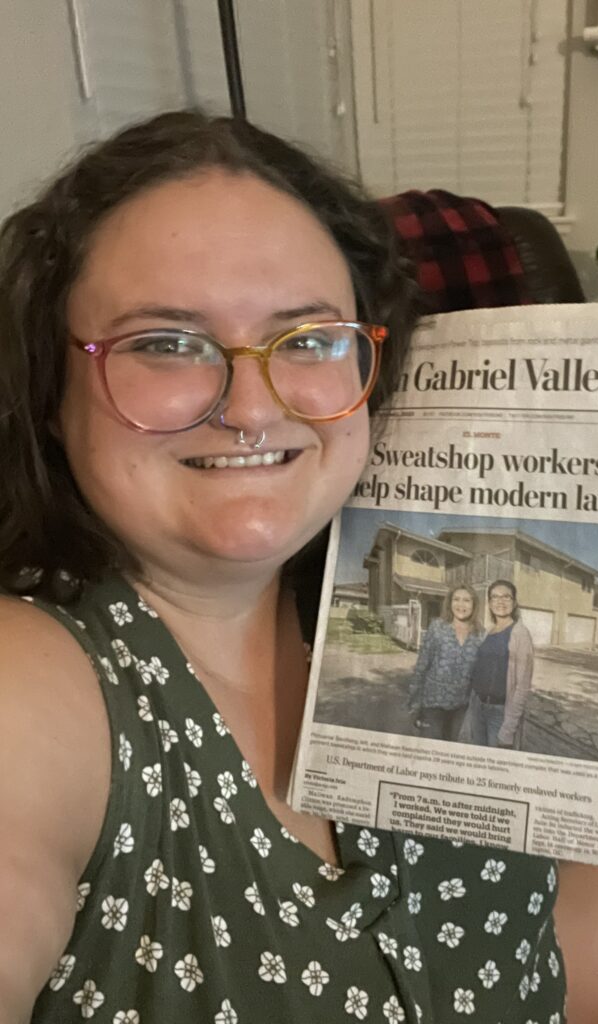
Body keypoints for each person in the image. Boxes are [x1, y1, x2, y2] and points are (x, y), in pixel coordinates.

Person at [0, 111, 566, 1023]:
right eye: (165, 344)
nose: (252, 407)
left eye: (306, 339)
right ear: (49, 390)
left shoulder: (388, 616)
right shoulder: (31, 687)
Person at [407, 585, 484, 741]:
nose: (461, 605)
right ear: (449, 603)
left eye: (466, 600)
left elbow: (481, 674)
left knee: (452, 752)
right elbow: (421, 667)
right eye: (456, 599)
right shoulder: (437, 627)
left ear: (474, 605)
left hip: (462, 707)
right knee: (432, 753)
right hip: (433, 704)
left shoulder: (480, 634)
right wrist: (415, 704)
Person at [463, 580, 532, 749]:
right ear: (489, 603)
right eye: (494, 597)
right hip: (477, 707)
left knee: (496, 767)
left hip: (499, 714)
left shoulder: (520, 634)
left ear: (514, 602)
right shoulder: (488, 631)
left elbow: (522, 686)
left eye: (506, 597)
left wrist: (508, 729)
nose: (500, 601)